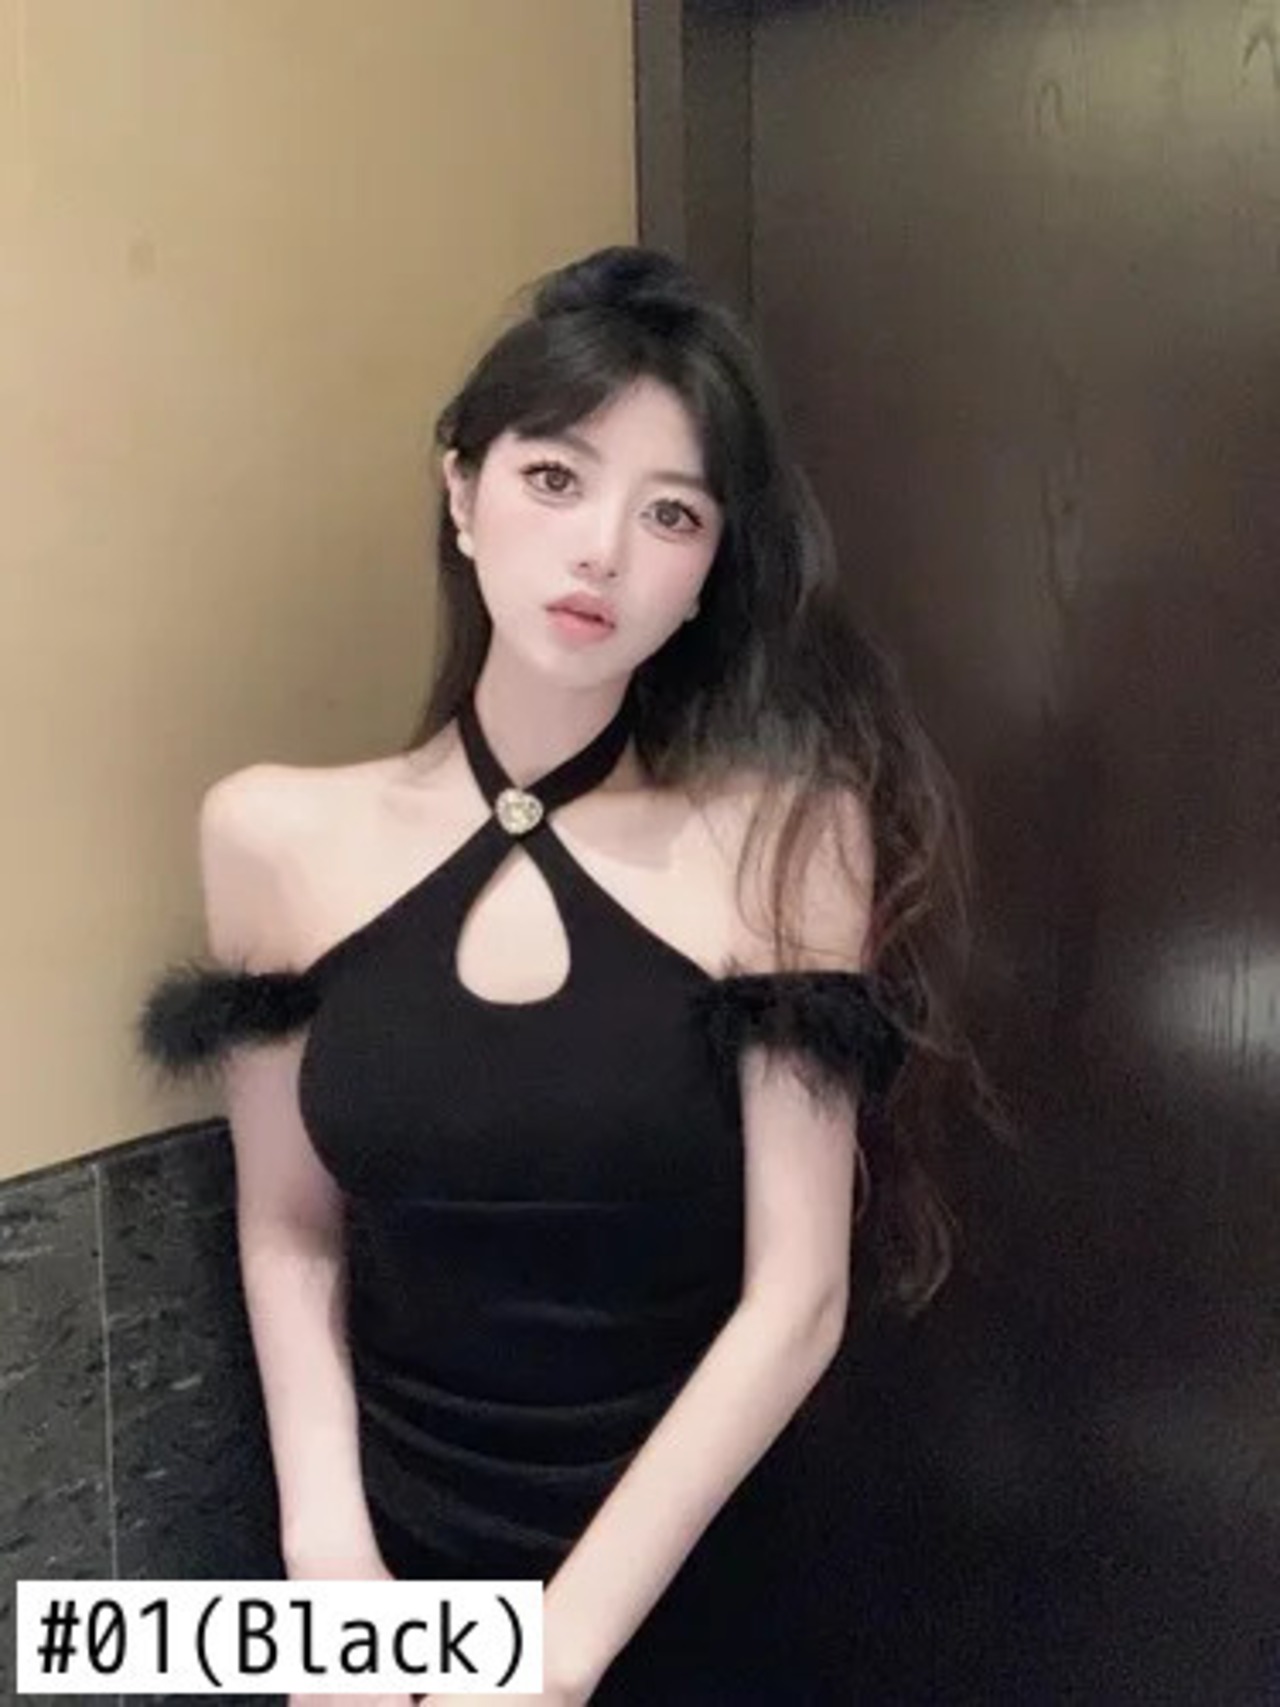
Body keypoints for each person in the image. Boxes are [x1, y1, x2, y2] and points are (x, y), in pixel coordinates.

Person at [138, 245, 997, 1704]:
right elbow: (288, 1225)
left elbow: (796, 1296)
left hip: (685, 1598)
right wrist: (330, 1568)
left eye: (671, 513)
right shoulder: (272, 835)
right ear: (460, 490)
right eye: (555, 478)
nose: (603, 549)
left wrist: (551, 1657)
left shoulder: (787, 843)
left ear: (708, 573)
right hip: (386, 1595)